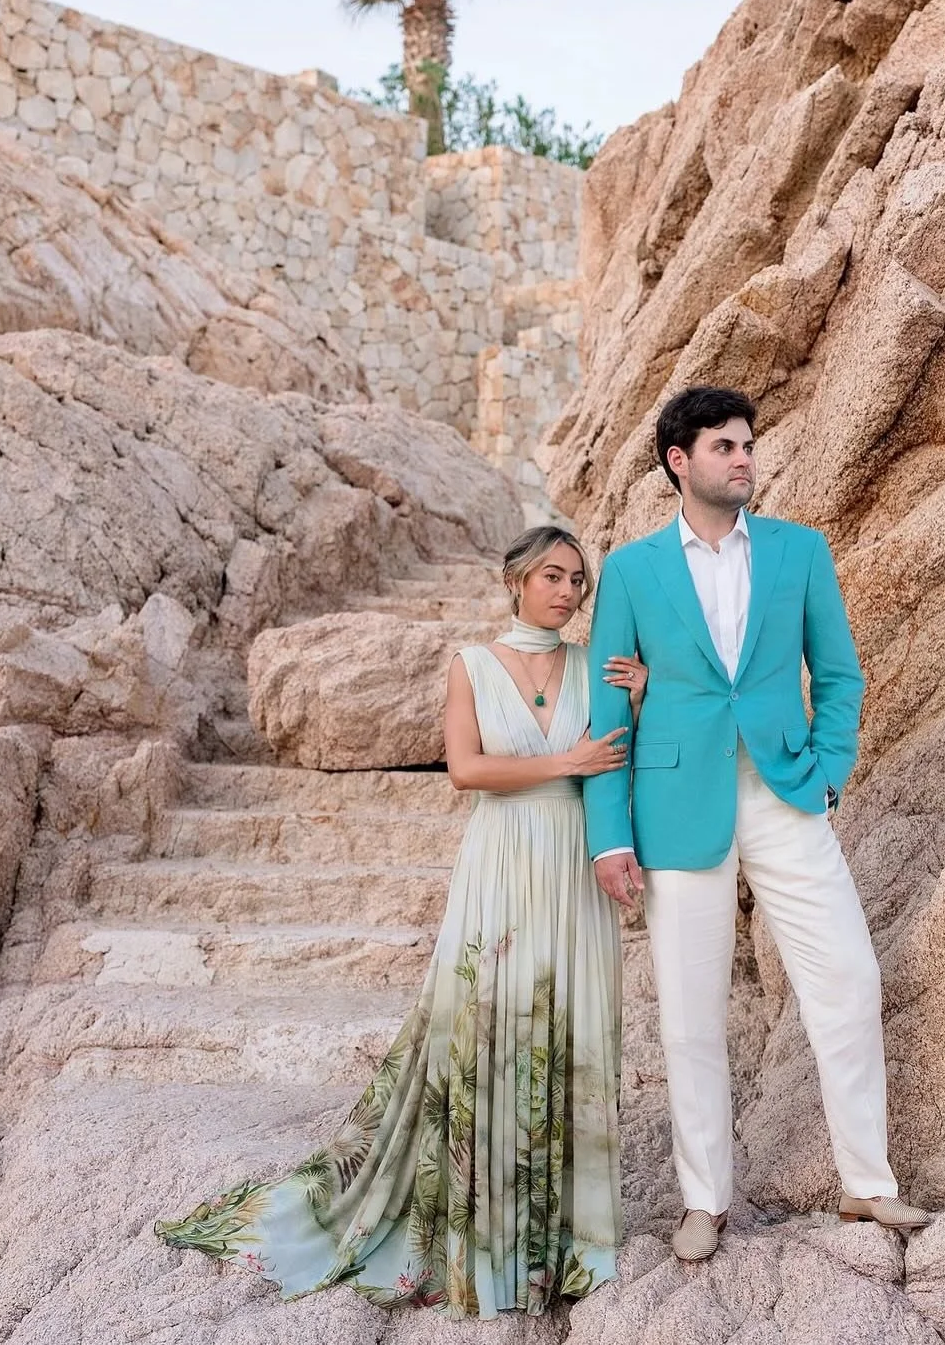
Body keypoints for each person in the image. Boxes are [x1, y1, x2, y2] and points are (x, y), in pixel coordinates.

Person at [157, 525, 646, 1317]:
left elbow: (626, 754)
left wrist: (644, 693)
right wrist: (565, 762)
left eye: (577, 582)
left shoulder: (598, 667)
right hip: (503, 859)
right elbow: (465, 771)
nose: (567, 592)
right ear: (515, 580)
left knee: (573, 1028)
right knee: (492, 1028)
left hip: (573, 862)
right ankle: (488, 1237)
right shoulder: (473, 666)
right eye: (552, 576)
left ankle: (566, 1239)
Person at [584, 385, 933, 1263]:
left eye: (748, 446)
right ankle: (706, 1200)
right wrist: (610, 833)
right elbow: (606, 709)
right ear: (680, 462)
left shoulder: (799, 552)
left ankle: (868, 1185)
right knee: (690, 1019)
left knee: (848, 980)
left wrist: (826, 774)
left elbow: (840, 675)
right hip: (672, 803)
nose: (744, 459)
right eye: (725, 448)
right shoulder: (630, 570)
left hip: (785, 794)